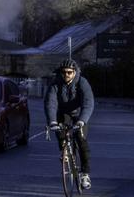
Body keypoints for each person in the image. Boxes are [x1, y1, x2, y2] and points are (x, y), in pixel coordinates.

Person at [45, 59, 95, 190]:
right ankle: (65, 151)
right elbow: (50, 103)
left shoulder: (82, 82)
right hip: (63, 113)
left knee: (81, 139)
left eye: (69, 72)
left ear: (74, 72)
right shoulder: (56, 83)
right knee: (60, 131)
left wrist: (82, 120)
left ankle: (85, 174)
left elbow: (88, 102)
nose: (66, 75)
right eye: (63, 72)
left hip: (79, 113)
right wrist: (52, 122)